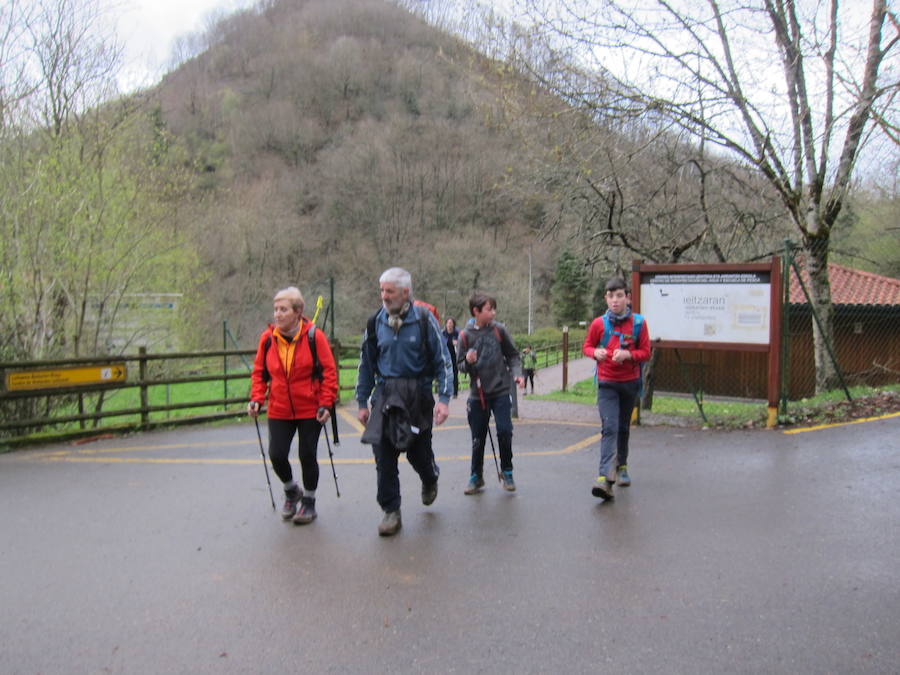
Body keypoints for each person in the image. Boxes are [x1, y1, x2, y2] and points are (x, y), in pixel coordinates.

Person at [356, 267, 453, 536]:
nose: (384, 296)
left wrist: (444, 399)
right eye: (382, 290)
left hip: (417, 396)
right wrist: (362, 401)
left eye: (389, 291)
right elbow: (366, 363)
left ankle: (429, 475)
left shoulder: (423, 320)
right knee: (383, 455)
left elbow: (442, 360)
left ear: (405, 292)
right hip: (385, 395)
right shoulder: (375, 321)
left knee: (416, 452)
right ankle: (391, 511)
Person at [248, 287, 338, 524]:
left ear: (298, 312)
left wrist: (326, 403)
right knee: (276, 454)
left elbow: (329, 372)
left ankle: (308, 502)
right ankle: (291, 490)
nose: (277, 314)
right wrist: (257, 398)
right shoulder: (267, 339)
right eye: (276, 309)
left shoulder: (314, 337)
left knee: (307, 454)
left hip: (310, 407)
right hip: (279, 408)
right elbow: (259, 373)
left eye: (283, 309)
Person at [582, 277, 651, 500]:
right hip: (606, 383)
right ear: (606, 298)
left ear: (628, 298)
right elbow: (587, 346)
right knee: (609, 427)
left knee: (622, 427)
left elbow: (646, 352)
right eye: (611, 296)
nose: (615, 300)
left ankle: (622, 467)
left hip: (629, 383)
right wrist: (595, 353)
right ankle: (604, 477)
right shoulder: (598, 324)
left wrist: (629, 355)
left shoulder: (639, 323)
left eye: (619, 295)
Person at [457, 291, 524, 494]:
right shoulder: (464, 336)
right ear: (476, 311)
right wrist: (467, 362)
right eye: (489, 309)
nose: (493, 313)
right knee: (478, 438)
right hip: (478, 395)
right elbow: (459, 365)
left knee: (505, 431)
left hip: (501, 391)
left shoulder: (499, 330)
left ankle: (508, 471)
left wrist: (517, 374)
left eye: (494, 308)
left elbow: (513, 355)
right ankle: (476, 476)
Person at [442, 317, 460, 398]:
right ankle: (445, 391)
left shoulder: (457, 333)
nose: (449, 325)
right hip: (445, 357)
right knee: (445, 374)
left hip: (454, 356)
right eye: (448, 323)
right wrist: (451, 342)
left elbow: (460, 343)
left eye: (451, 323)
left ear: (453, 325)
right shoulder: (443, 333)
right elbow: (442, 343)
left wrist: (457, 343)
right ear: (446, 324)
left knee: (455, 374)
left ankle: (455, 393)